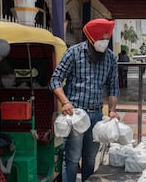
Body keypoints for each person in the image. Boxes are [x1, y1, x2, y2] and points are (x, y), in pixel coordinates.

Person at [49, 18, 120, 182]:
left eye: (106, 38)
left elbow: (113, 87)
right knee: (72, 158)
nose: (104, 42)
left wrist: (112, 110)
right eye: (102, 38)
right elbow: (55, 80)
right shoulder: (73, 53)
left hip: (96, 116)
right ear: (91, 37)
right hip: (76, 115)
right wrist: (65, 101)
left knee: (90, 159)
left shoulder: (110, 58)